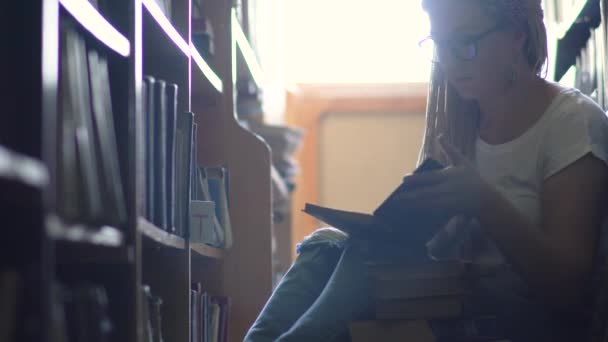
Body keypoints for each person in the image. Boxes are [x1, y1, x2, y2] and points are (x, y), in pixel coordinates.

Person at [244, 0, 608, 340]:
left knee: (365, 253)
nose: (450, 63)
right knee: (325, 245)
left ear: (517, 35)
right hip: (446, 301)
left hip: (506, 324)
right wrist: (422, 220)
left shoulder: (570, 123)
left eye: (465, 44)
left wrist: (481, 200)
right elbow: (446, 252)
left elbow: (567, 289)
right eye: (439, 45)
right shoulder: (463, 118)